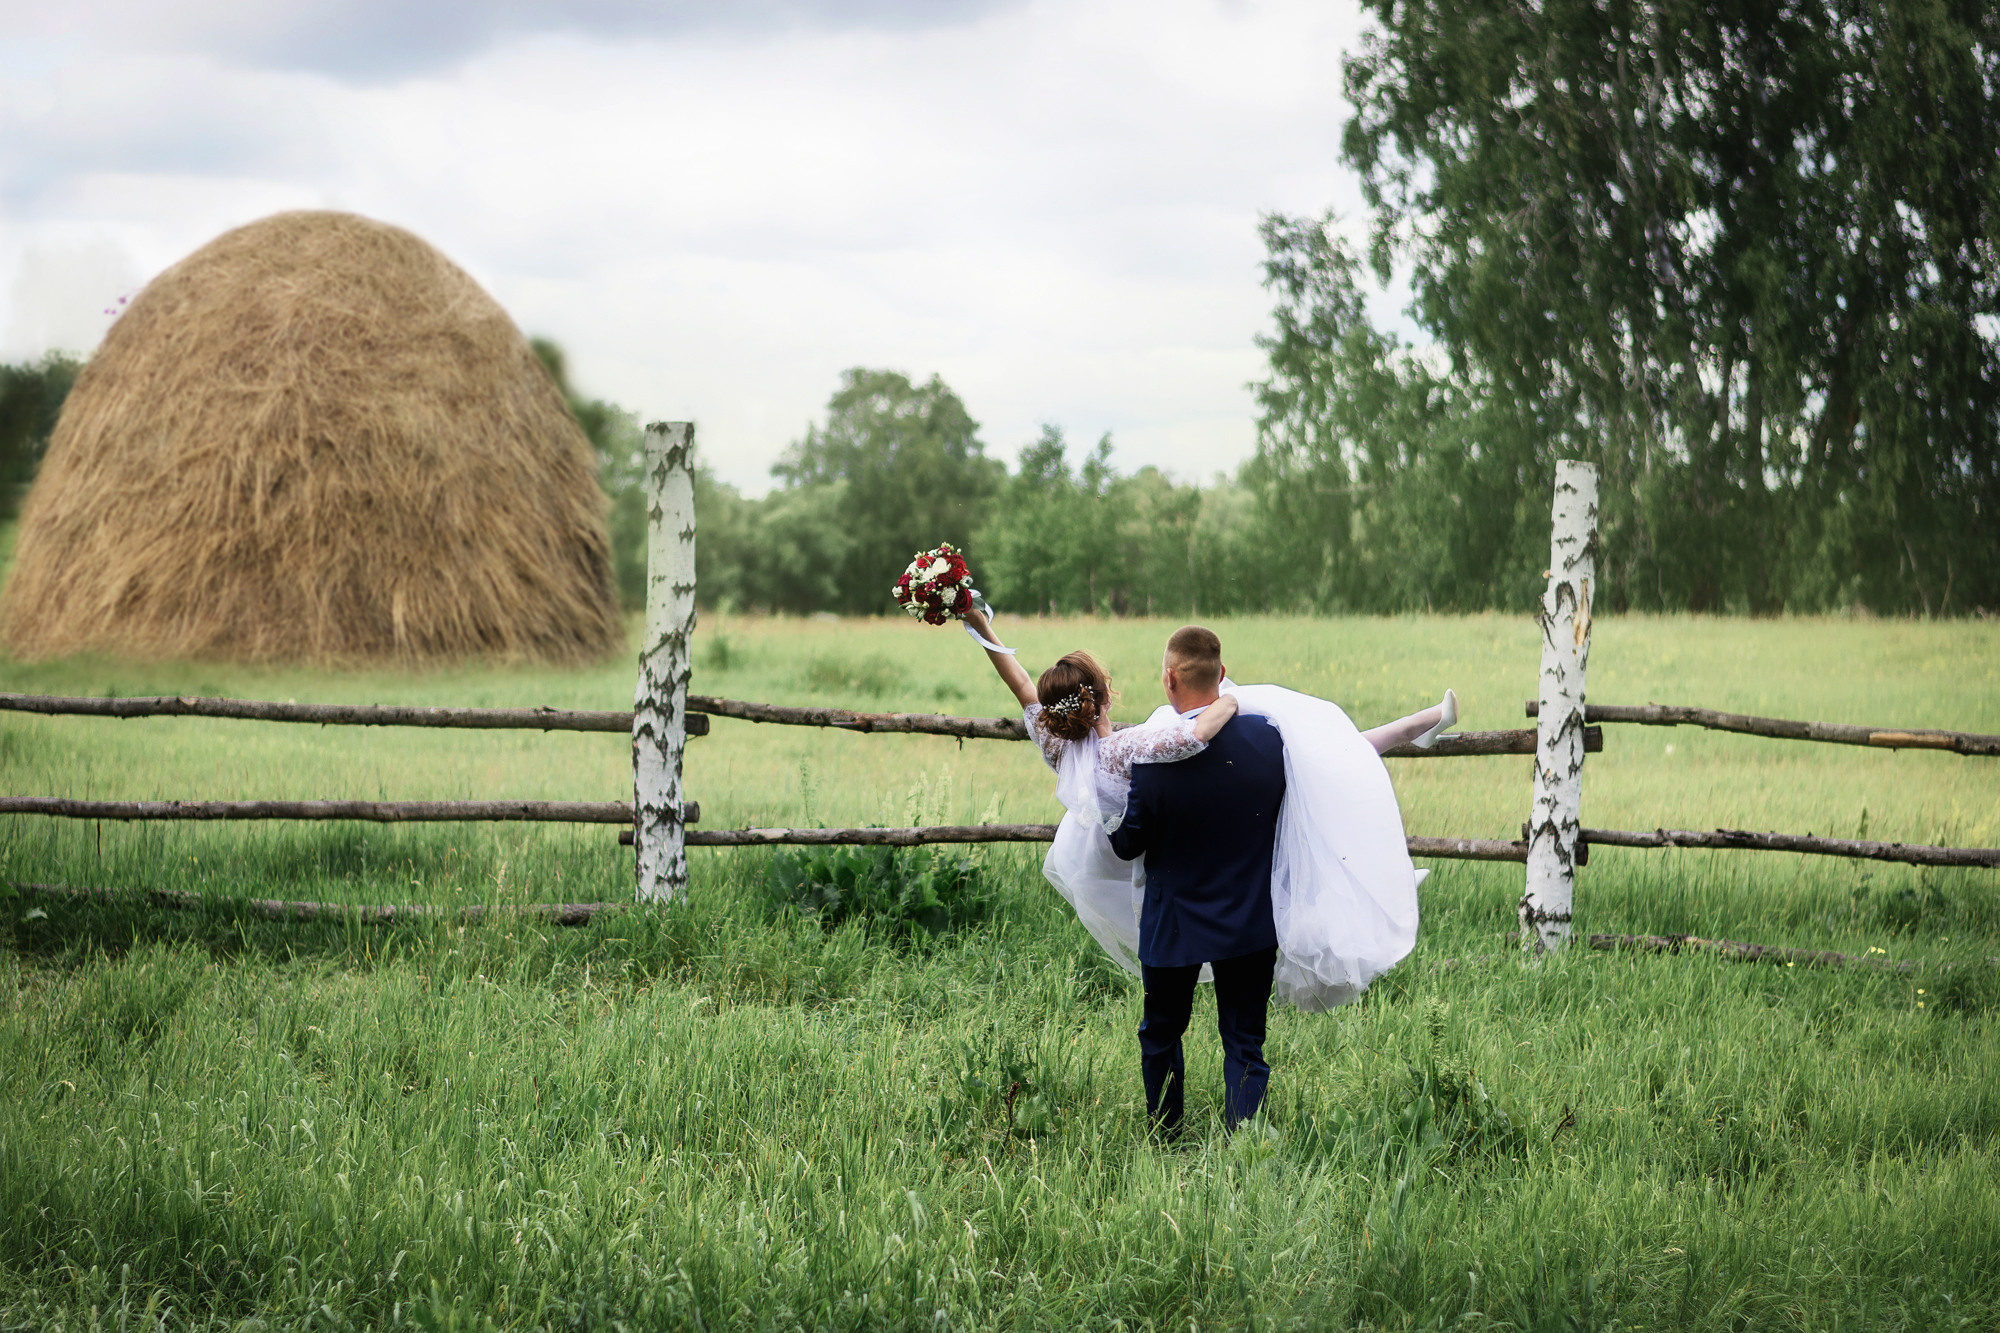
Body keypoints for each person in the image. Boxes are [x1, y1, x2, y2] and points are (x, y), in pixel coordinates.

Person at [960, 609, 1453, 1006]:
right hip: (1143, 848)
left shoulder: (1058, 746)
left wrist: (983, 629)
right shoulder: (1130, 747)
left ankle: (1421, 724)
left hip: (1105, 860)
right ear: (1105, 692)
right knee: (1317, 761)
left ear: (1056, 713)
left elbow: (1023, 685)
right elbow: (1192, 735)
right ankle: (1419, 724)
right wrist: (1232, 699)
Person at [1108, 625, 1287, 1135]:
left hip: (1174, 919)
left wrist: (1101, 812)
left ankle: (1166, 1134)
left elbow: (1128, 845)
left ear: (1169, 679)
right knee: (1245, 1039)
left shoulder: (1151, 757)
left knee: (1161, 1032)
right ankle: (1246, 1139)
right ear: (1223, 676)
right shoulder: (1269, 741)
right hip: (1250, 916)